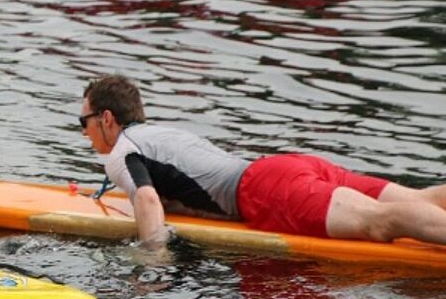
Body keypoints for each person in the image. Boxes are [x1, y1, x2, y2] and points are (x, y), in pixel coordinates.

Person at [80, 74, 446, 249]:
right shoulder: (163, 134)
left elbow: (146, 201)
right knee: (422, 197)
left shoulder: (121, 152)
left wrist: (151, 260)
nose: (84, 132)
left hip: (265, 191)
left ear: (107, 118)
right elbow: (185, 189)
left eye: (85, 122)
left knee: (379, 224)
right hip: (288, 168)